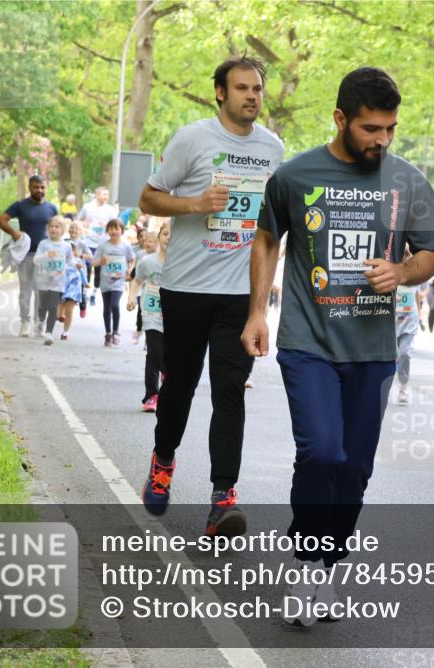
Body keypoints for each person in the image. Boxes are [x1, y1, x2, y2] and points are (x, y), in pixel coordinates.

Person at [242, 66, 434, 627]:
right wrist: (257, 312)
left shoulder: (408, 181)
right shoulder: (294, 175)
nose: (383, 140)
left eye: (390, 129)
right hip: (307, 341)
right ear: (340, 119)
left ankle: (328, 565)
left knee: (355, 468)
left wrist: (402, 272)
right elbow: (267, 239)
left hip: (374, 350)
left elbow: (431, 254)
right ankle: (306, 563)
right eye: (371, 129)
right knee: (322, 453)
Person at [138, 56, 284, 537]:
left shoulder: (273, 148)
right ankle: (163, 462)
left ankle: (223, 498)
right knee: (178, 385)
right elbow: (149, 198)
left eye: (257, 88)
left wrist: (261, 303)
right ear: (220, 92)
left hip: (238, 294)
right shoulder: (192, 138)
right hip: (185, 288)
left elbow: (272, 226)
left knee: (229, 393)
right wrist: (195, 203)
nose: (251, 96)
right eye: (241, 88)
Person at [0, 175, 60, 336]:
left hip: (45, 257)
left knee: (41, 291)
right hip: (25, 256)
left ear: (46, 188)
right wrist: (15, 233)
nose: (39, 190)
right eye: (36, 187)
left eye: (42, 187)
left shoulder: (52, 208)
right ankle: (25, 322)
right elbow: (1, 220)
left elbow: (59, 229)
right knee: (25, 291)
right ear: (30, 187)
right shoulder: (21, 205)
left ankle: (39, 323)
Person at [127, 221, 169, 412]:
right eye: (166, 234)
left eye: (173, 235)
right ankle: (152, 395)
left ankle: (165, 372)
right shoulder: (148, 262)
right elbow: (137, 281)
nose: (169, 238)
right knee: (153, 352)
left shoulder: (183, 264)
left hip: (174, 317)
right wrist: (131, 297)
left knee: (170, 355)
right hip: (152, 315)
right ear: (159, 237)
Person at [32, 216, 76, 345]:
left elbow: (70, 261)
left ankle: (49, 333)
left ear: (62, 230)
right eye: (51, 226)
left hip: (58, 282)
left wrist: (76, 264)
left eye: (57, 227)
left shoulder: (66, 246)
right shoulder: (43, 244)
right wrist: (46, 255)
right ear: (47, 229)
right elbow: (36, 260)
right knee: (42, 307)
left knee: (52, 307)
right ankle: (41, 321)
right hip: (43, 280)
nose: (53, 229)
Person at [91, 219, 135, 346]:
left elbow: (132, 259)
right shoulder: (103, 246)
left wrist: (130, 270)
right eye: (111, 228)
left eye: (116, 228)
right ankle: (108, 333)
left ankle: (116, 331)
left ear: (122, 231)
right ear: (107, 231)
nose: (114, 231)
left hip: (119, 281)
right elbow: (94, 262)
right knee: (107, 307)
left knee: (115, 304)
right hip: (105, 280)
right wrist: (101, 262)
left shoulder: (126, 246)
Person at [77, 187, 119, 305]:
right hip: (88, 242)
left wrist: (107, 225)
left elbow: (116, 226)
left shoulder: (110, 210)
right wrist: (83, 224)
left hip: (103, 244)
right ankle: (85, 293)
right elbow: (78, 221)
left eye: (107, 195)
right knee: (87, 267)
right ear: (97, 195)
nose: (107, 197)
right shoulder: (87, 207)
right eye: (104, 194)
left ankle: (94, 294)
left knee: (99, 270)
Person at [58, 221, 89, 340]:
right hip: (62, 283)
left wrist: (80, 256)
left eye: (76, 229)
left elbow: (90, 257)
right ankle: (61, 315)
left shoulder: (82, 244)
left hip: (75, 282)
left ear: (80, 231)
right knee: (60, 308)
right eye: (72, 228)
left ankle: (65, 332)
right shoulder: (64, 242)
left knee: (70, 307)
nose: (74, 231)